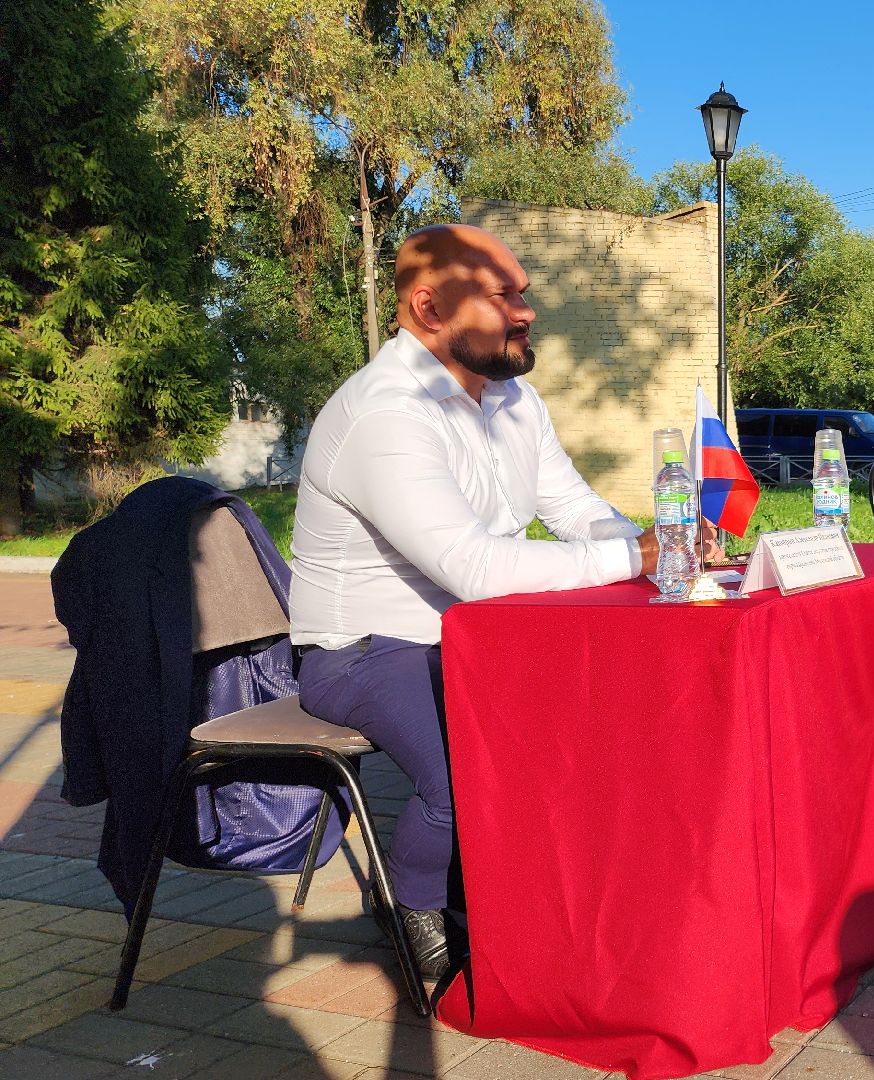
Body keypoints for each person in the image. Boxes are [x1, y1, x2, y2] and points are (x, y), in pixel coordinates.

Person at [288, 223, 715, 978]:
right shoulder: (385, 413)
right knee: (471, 775)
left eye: (522, 292)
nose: (526, 311)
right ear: (429, 309)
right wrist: (634, 556)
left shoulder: (513, 399)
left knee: (587, 729)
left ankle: (556, 902)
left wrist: (661, 545)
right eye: (501, 296)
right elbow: (474, 568)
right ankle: (415, 903)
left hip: (480, 635)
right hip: (366, 651)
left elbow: (574, 509)